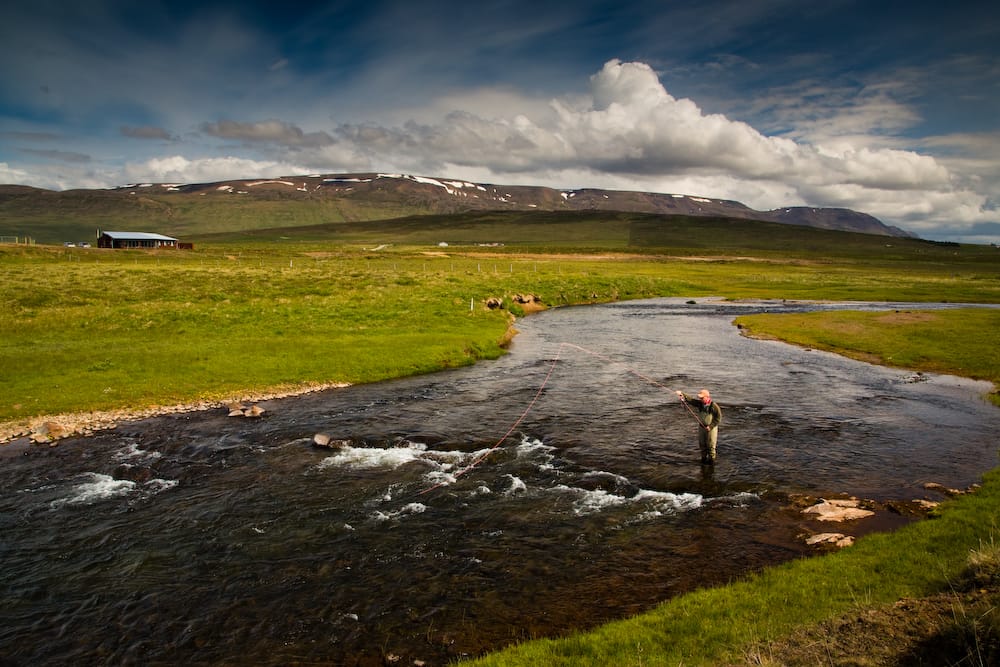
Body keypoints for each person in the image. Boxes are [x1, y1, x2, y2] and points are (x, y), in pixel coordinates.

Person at [676, 389, 722, 464]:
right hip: (701, 428)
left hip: (711, 429)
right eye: (700, 398)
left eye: (702, 398)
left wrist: (710, 426)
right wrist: (682, 394)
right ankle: (703, 461)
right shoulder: (700, 403)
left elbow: (718, 418)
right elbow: (691, 400)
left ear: (707, 397)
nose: (700, 399)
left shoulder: (714, 406)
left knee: (711, 446)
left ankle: (711, 463)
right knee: (702, 445)